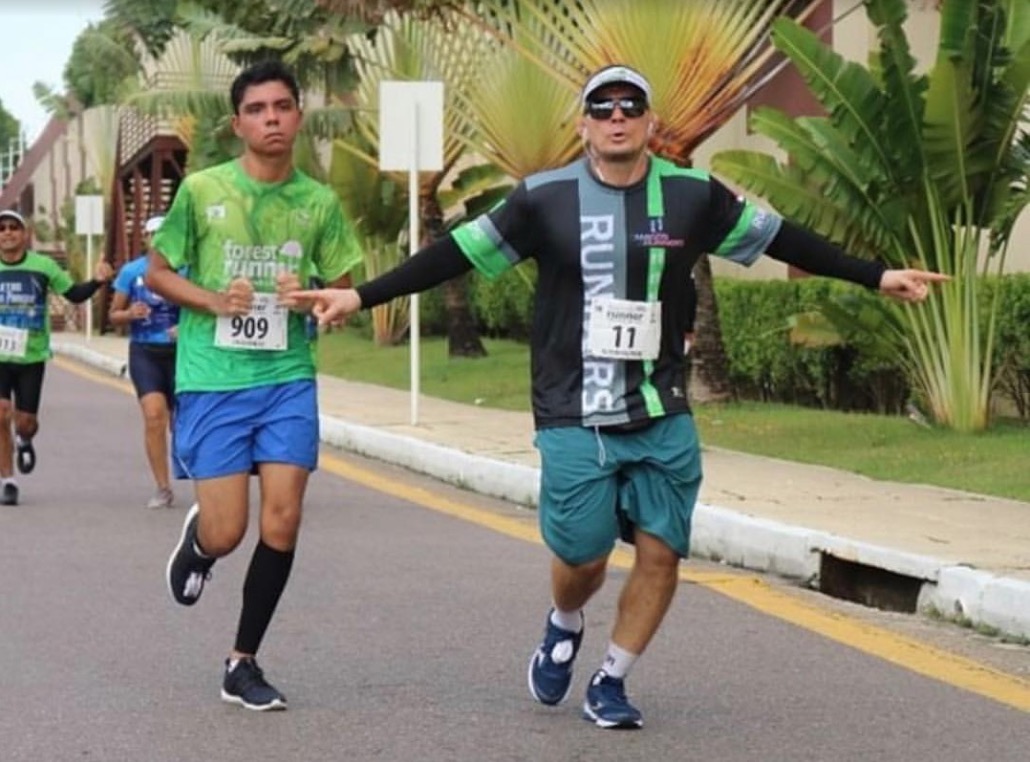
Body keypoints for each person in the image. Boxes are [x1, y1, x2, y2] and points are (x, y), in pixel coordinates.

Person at [284, 63, 948, 729]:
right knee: (583, 555)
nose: (618, 117)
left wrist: (877, 275)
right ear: (585, 126)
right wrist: (360, 294)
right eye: (603, 108)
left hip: (661, 407)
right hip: (572, 408)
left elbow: (780, 238)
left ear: (651, 123)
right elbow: (455, 252)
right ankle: (565, 619)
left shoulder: (692, 195)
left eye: (632, 106)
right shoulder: (543, 198)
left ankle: (611, 679)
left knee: (662, 553)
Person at [145, 59, 362, 711]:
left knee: (285, 518)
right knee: (228, 531)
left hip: (287, 377)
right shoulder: (204, 189)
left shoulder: (319, 203)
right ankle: (200, 545)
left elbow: (343, 293)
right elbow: (157, 273)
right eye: (258, 109)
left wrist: (309, 301)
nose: (272, 118)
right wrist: (212, 300)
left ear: (298, 115)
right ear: (238, 123)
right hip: (214, 379)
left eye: (283, 107)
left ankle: (243, 661)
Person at [0, 208, 114, 506]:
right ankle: (7, 481)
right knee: (0, 415)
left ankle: (25, 440)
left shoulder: (43, 266)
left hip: (32, 356)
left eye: (14, 227)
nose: (8, 232)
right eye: (2, 228)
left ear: (24, 235)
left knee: (25, 421)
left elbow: (74, 294)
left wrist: (98, 281)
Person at [109, 214, 180, 509]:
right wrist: (129, 315)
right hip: (145, 352)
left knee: (184, 422)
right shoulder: (131, 271)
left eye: (165, 234)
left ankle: (203, 480)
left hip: (183, 354)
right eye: (154, 234)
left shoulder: (187, 269)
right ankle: (163, 487)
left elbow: (206, 309)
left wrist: (186, 328)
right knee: (154, 416)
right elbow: (114, 315)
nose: (159, 239)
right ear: (147, 238)